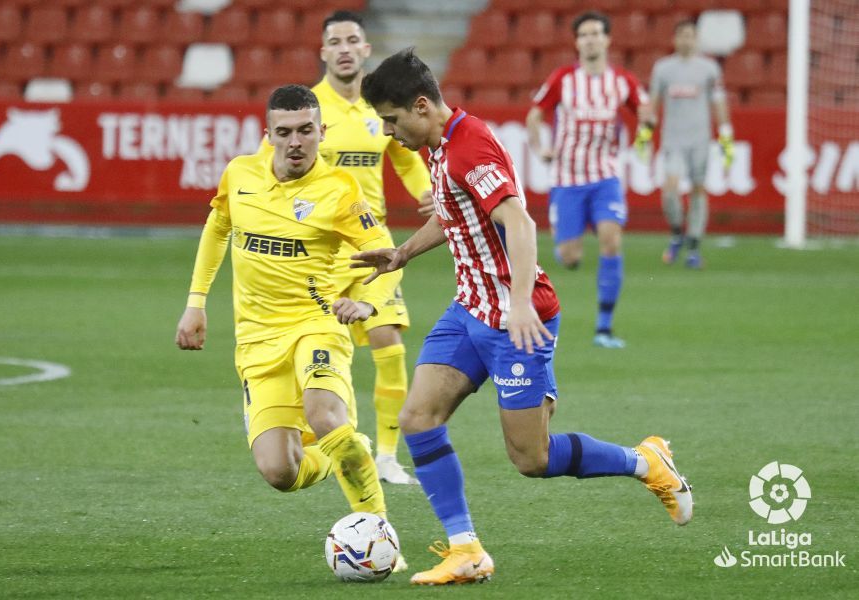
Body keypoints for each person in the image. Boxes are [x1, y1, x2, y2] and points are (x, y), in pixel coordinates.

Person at [355, 48, 693, 586]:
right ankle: (466, 550)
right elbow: (456, 217)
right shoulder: (440, 147)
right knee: (418, 418)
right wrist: (401, 253)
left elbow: (520, 223)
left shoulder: (469, 149)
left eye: (393, 121)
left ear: (421, 107)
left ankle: (645, 460)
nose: (390, 133)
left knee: (531, 458)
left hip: (516, 317)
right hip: (468, 308)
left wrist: (515, 304)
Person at [175, 85, 406, 564]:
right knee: (280, 471)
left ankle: (382, 539)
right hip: (257, 341)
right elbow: (217, 227)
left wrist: (369, 306)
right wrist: (196, 302)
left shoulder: (340, 190)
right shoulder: (240, 174)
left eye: (306, 131)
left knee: (324, 417)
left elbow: (390, 256)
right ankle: (351, 451)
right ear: (268, 136)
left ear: (321, 132)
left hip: (316, 324)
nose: (296, 142)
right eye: (284, 133)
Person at [256, 10, 433, 484]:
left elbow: (406, 158)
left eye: (353, 39)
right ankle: (315, 435)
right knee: (315, 352)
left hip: (371, 249)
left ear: (366, 49)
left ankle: (389, 456)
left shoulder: (380, 107)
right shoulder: (306, 111)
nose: (345, 48)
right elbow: (262, 164)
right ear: (323, 51)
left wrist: (425, 193)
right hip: (319, 255)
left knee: (389, 342)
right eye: (335, 41)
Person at [526, 11, 651, 349]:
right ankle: (571, 254)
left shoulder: (622, 81)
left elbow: (645, 109)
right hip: (567, 180)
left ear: (608, 40)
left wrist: (645, 132)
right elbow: (535, 115)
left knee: (612, 239)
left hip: (605, 177)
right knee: (568, 256)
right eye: (584, 35)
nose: (591, 39)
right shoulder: (563, 79)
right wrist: (541, 147)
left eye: (596, 33)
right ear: (577, 42)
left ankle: (604, 328)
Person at [639, 18, 734, 269]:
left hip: (700, 140)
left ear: (697, 39)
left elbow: (718, 101)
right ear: (675, 39)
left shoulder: (709, 68)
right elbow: (654, 103)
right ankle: (676, 232)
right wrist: (645, 134)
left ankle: (693, 246)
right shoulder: (664, 68)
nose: (686, 40)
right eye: (681, 35)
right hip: (673, 139)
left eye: (690, 35)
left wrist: (725, 134)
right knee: (670, 189)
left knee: (698, 190)